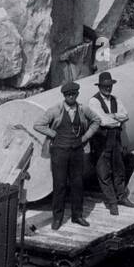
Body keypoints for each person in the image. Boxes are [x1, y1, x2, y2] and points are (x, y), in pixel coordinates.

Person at [36, 80, 100, 230]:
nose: (71, 97)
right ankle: (57, 218)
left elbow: (97, 120)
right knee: (59, 185)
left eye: (73, 94)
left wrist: (86, 137)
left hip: (77, 151)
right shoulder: (55, 110)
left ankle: (77, 216)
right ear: (64, 96)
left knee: (77, 184)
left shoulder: (83, 109)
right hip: (59, 152)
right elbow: (38, 124)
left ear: (77, 94)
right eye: (68, 94)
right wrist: (53, 134)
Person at [89, 71, 134, 216]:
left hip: (115, 138)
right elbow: (103, 121)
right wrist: (115, 119)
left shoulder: (115, 99)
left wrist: (112, 116)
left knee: (118, 168)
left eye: (109, 86)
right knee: (103, 171)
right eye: (105, 86)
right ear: (100, 86)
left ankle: (121, 197)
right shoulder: (94, 101)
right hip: (101, 139)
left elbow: (125, 115)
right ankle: (112, 202)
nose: (108, 88)